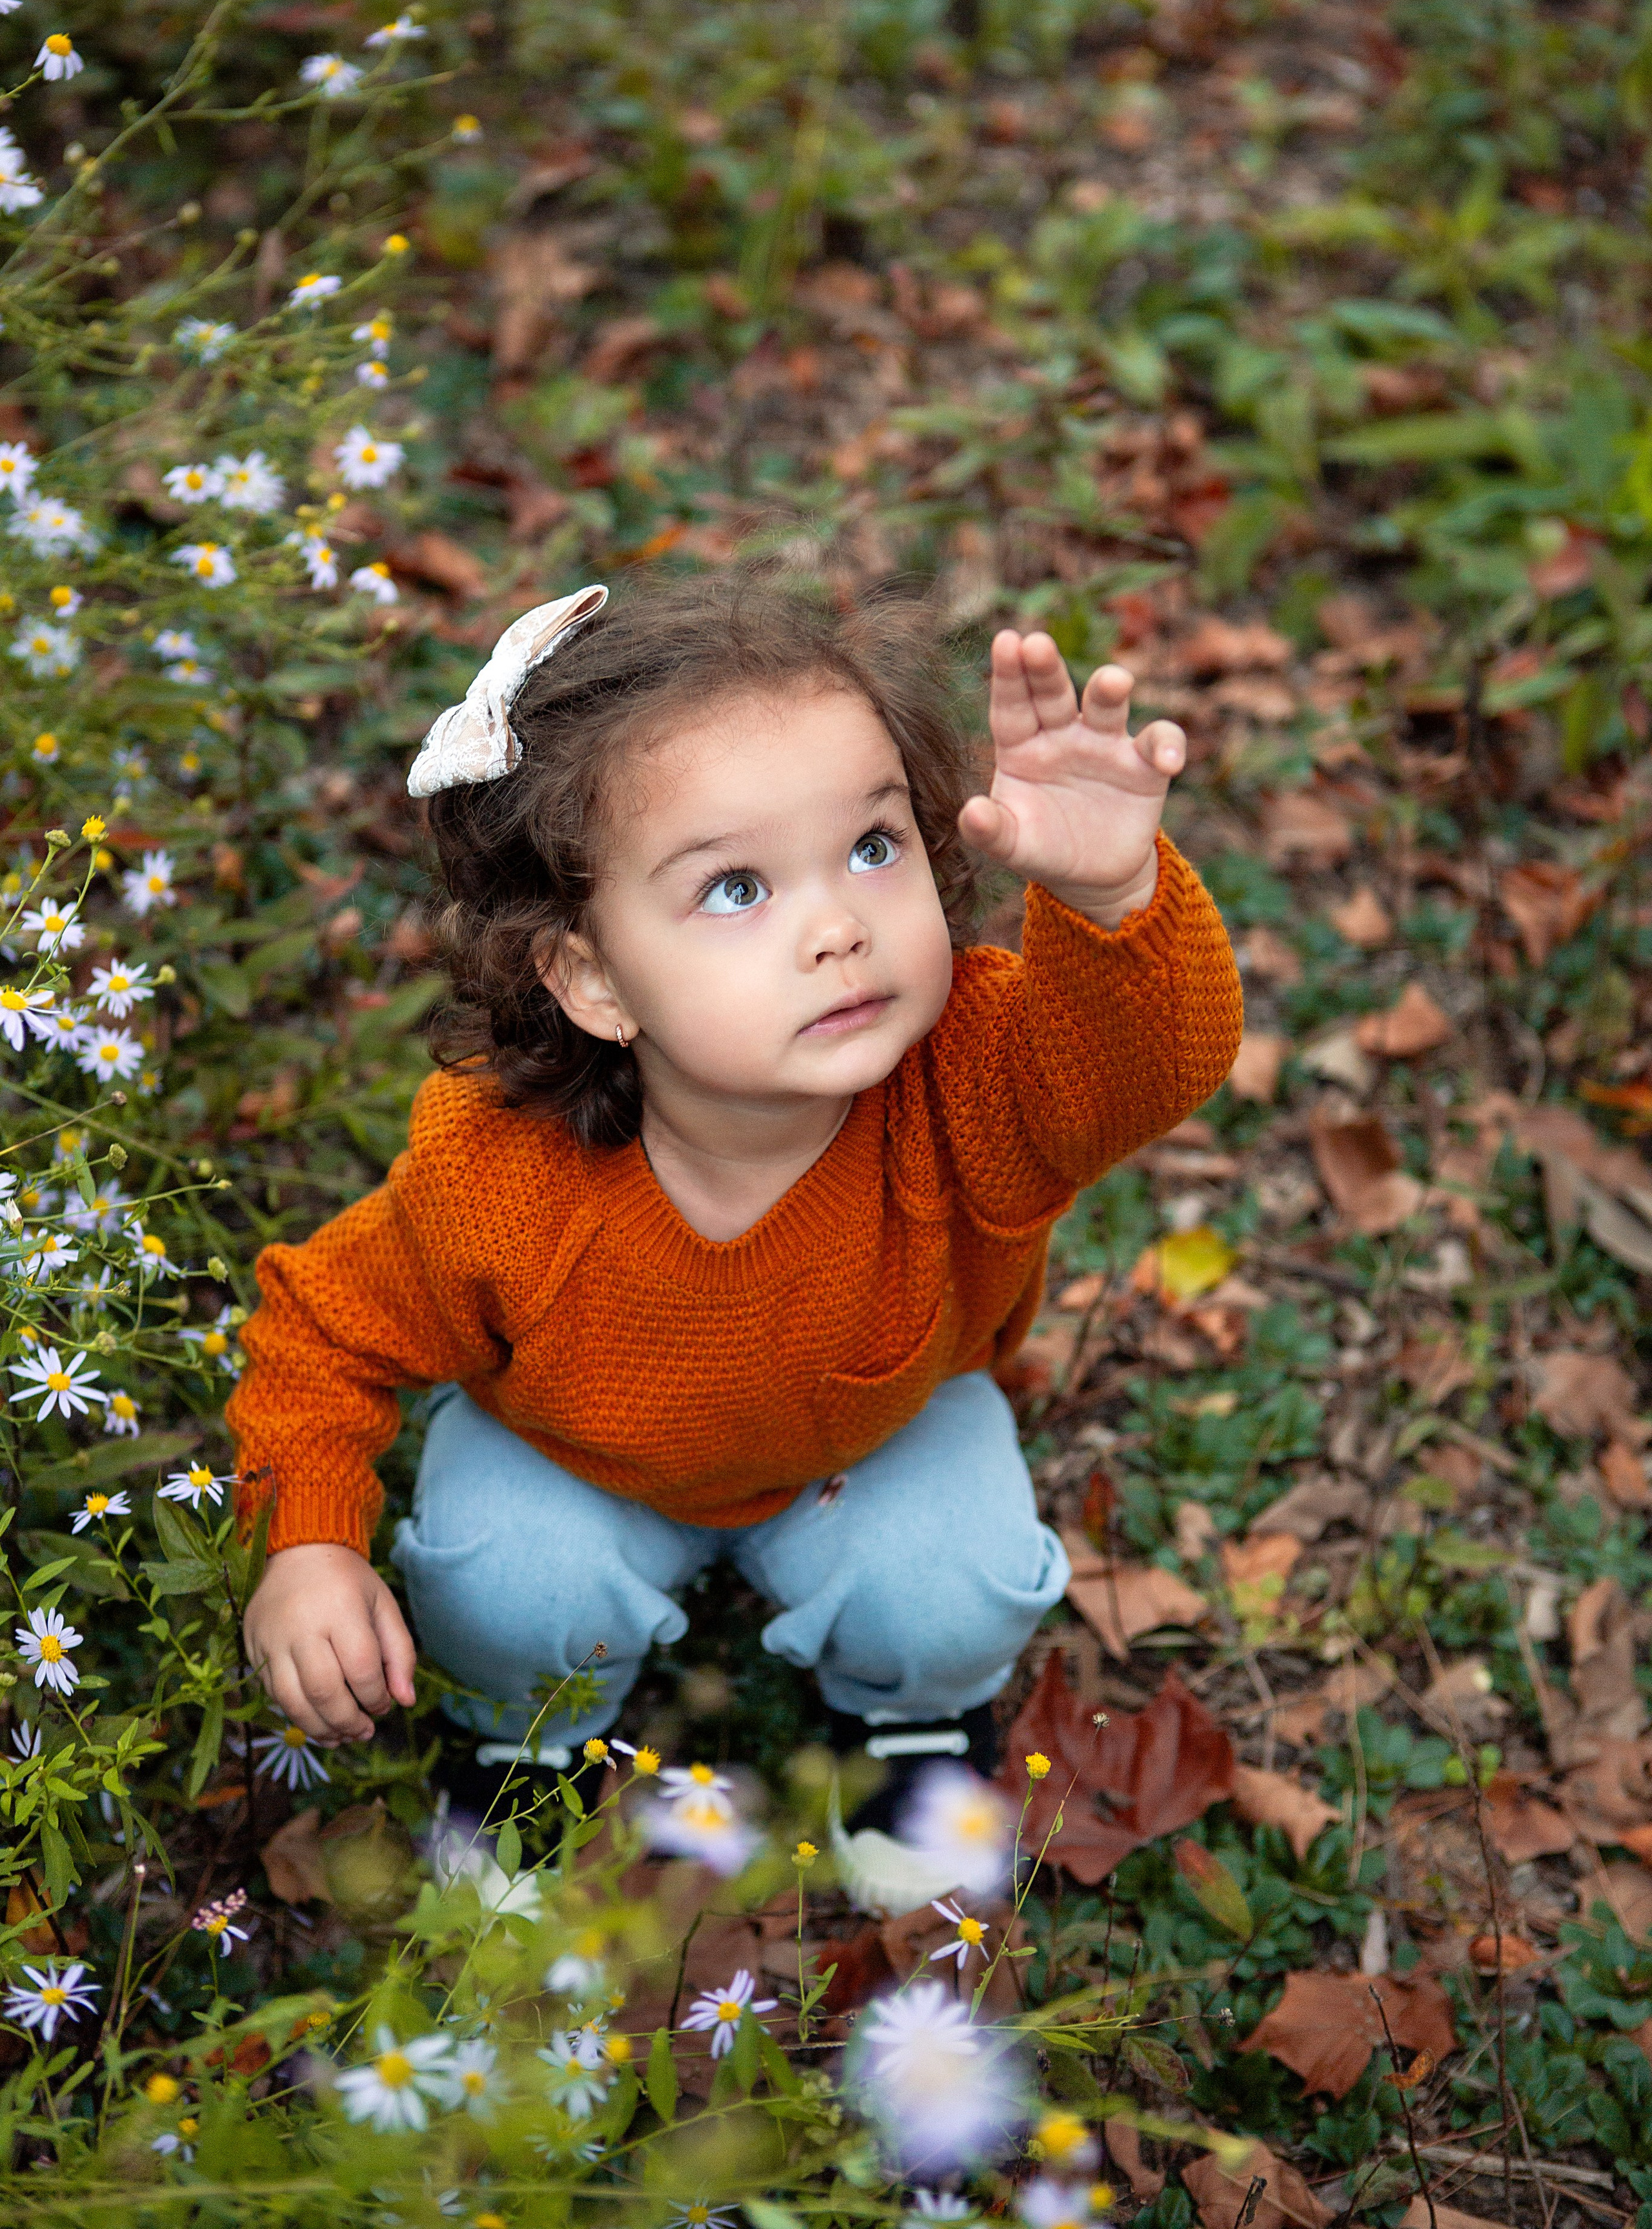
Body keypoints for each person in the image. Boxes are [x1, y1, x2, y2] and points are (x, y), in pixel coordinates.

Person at [229, 574, 1242, 1875]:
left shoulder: (970, 1079)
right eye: (734, 889)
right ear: (591, 978)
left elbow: (1152, 1067)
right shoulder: (501, 1178)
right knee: (499, 1577)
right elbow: (324, 1330)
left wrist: (1109, 902)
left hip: (871, 1446)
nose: (835, 928)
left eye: (871, 849)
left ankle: (910, 1723)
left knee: (950, 1581)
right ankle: (525, 1733)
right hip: (577, 1461)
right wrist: (306, 1538)